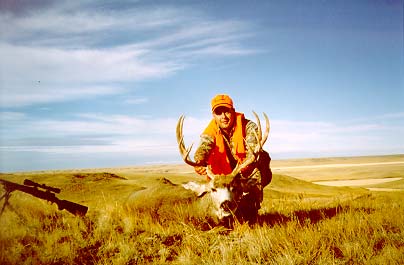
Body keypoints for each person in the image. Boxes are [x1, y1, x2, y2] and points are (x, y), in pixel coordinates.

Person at [193, 94, 272, 219]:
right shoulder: (210, 132)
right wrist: (199, 162)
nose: (223, 117)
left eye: (227, 112)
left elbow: (253, 150)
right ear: (214, 115)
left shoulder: (248, 127)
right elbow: (204, 146)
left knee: (262, 157)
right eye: (219, 113)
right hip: (222, 179)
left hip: (243, 174)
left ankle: (251, 202)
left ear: (233, 111)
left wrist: (245, 166)